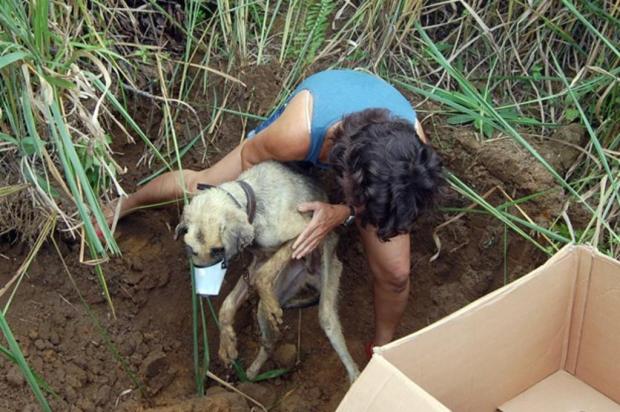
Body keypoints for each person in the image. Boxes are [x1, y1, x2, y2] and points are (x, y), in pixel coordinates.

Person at [104, 69, 443, 357]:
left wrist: (341, 213)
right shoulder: (293, 134)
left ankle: (382, 351)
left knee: (396, 274)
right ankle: (126, 204)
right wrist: (254, 234)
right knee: (202, 189)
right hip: (286, 147)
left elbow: (380, 208)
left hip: (366, 159)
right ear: (350, 178)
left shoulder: (411, 157)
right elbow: (254, 167)